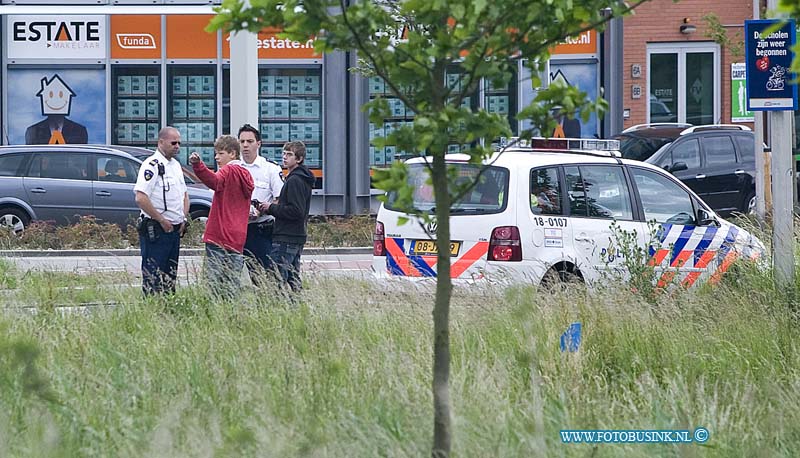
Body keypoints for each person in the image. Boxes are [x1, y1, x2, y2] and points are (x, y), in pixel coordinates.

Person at [189, 135, 254, 298]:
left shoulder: (228, 170)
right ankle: (231, 316)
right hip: (237, 236)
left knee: (214, 284)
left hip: (220, 234)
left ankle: (214, 317)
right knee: (232, 284)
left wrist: (198, 166)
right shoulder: (246, 174)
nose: (217, 157)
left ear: (232, 154)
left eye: (220, 153)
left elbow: (214, 181)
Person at [134, 126, 189, 295]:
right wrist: (160, 219)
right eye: (173, 142)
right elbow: (141, 197)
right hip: (157, 230)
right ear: (161, 142)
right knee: (153, 277)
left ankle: (167, 313)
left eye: (179, 143)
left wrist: (183, 219)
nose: (177, 146)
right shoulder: (151, 165)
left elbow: (184, 195)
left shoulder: (175, 166)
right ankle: (152, 312)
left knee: (169, 278)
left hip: (174, 229)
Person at [261, 141, 315, 292]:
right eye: (284, 153)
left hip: (286, 236)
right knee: (292, 279)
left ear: (299, 159)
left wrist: (270, 208)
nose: (284, 157)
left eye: (289, 154)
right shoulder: (301, 178)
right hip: (296, 235)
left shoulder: (295, 180)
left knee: (275, 279)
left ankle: (278, 309)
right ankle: (296, 308)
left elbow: (296, 211)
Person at [237, 124, 284, 284]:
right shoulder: (233, 168)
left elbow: (279, 198)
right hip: (236, 229)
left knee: (265, 277)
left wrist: (262, 211)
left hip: (260, 229)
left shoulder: (270, 169)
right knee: (231, 275)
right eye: (242, 141)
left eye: (249, 141)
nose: (245, 145)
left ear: (258, 143)